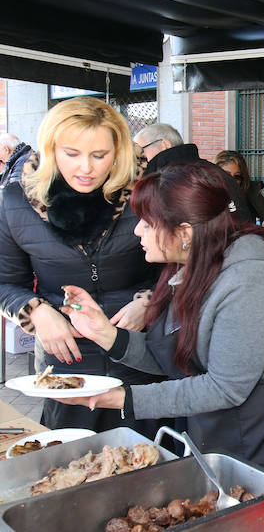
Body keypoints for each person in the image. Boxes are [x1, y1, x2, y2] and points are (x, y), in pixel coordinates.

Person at [58, 163, 264, 532]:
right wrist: (105, 335)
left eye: (147, 222)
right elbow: (180, 357)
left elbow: (224, 386)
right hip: (243, 422)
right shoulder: (194, 267)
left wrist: (123, 398)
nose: (138, 231)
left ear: (186, 232)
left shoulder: (247, 283)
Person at [0, 97, 166, 436]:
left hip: (139, 351)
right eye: (72, 154)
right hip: (66, 362)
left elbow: (181, 266)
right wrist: (36, 313)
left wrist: (149, 301)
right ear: (51, 149)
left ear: (118, 152)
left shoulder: (147, 193)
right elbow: (4, 283)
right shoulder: (15, 200)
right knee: (76, 465)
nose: (86, 168)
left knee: (150, 464)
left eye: (99, 156)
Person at [133, 123, 252, 223]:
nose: (138, 158)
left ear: (164, 144)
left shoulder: (174, 179)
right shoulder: (210, 172)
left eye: (140, 150)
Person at [214, 150, 264, 224]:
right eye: (226, 175)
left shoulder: (251, 193)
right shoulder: (207, 196)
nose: (231, 181)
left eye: (237, 176)